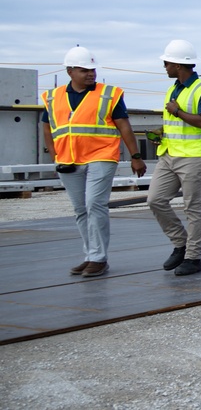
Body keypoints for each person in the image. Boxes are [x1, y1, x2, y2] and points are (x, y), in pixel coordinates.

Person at [40, 47, 146, 278]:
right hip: (68, 161)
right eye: (84, 70)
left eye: (92, 70)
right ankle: (90, 255)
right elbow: (47, 127)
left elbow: (124, 125)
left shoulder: (108, 94)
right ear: (70, 71)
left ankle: (98, 258)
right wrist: (54, 155)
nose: (91, 74)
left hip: (102, 156)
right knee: (80, 209)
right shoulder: (52, 96)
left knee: (94, 204)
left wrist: (135, 156)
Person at [147, 40, 201, 276]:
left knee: (193, 208)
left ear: (179, 65)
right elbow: (177, 123)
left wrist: (177, 111)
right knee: (155, 200)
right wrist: (163, 133)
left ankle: (193, 257)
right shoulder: (173, 89)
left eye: (167, 63)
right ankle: (181, 243)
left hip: (195, 157)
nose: (165, 67)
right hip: (169, 154)